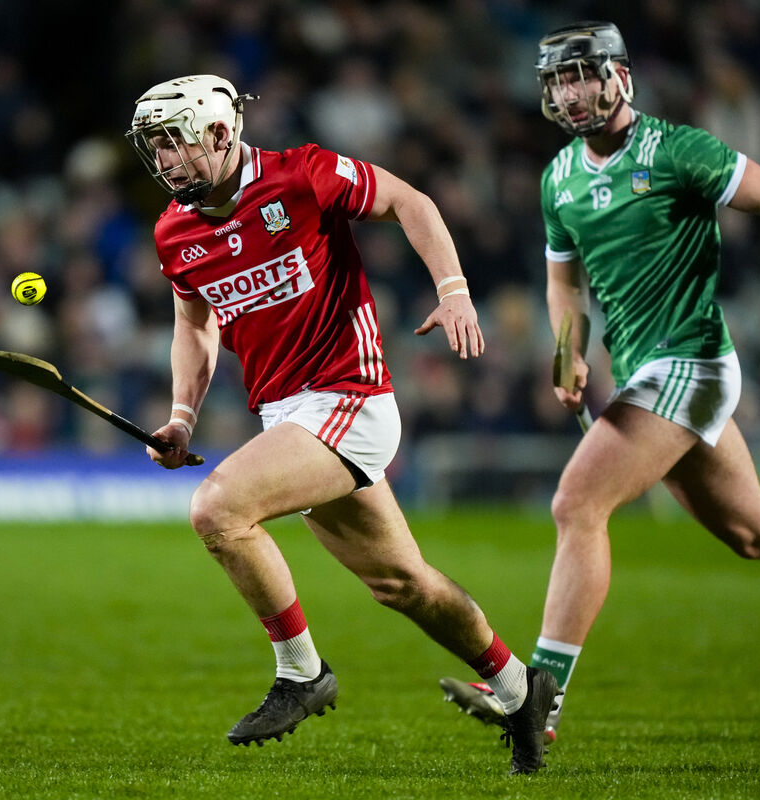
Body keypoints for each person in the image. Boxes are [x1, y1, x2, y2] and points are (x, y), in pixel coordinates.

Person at [439, 21, 760, 747]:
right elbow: (565, 286)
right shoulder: (559, 178)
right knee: (756, 532)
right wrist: (566, 353)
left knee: (577, 503)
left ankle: (537, 696)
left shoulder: (678, 149)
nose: (573, 93)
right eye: (559, 81)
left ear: (622, 77)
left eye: (585, 75)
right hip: (646, 372)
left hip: (693, 360)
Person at [124, 74, 557, 774]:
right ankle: (519, 688)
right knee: (403, 584)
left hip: (349, 398)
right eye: (155, 148)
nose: (165, 162)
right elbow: (193, 324)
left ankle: (301, 672)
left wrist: (454, 293)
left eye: (175, 143)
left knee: (219, 511)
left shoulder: (304, 175)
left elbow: (410, 202)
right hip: (286, 417)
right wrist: (181, 416)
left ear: (221, 133)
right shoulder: (174, 229)